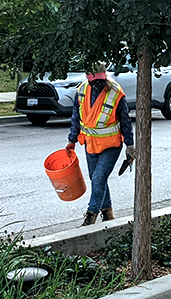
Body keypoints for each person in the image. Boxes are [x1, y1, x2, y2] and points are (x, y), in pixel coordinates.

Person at [66, 62, 134, 226]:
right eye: (94, 81)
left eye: (101, 81)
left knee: (98, 179)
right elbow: (77, 117)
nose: (98, 84)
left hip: (111, 145)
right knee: (98, 179)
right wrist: (72, 140)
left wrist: (130, 145)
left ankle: (91, 215)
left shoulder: (116, 93)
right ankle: (108, 214)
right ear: (88, 79)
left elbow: (125, 121)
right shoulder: (82, 90)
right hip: (91, 143)